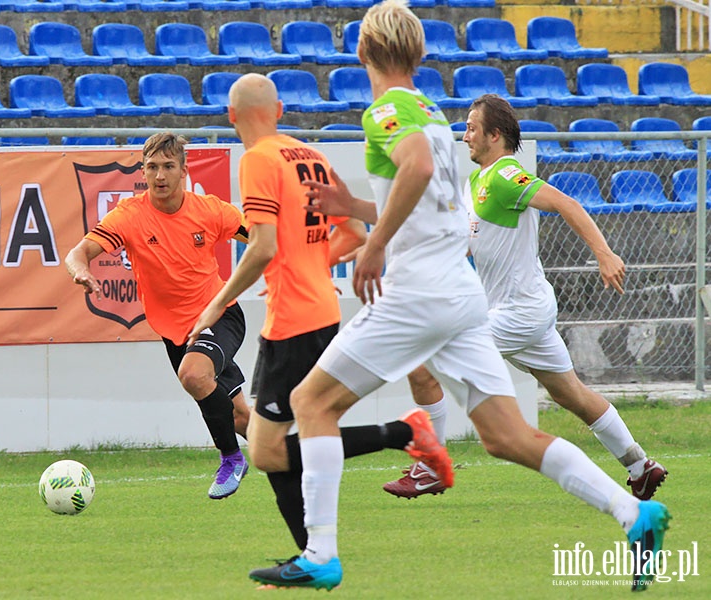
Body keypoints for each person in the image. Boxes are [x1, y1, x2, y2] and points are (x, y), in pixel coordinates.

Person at [247, 0, 670, 592]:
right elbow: (424, 192)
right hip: (462, 294)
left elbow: (414, 168)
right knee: (507, 437)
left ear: (364, 53)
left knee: (311, 405)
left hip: (418, 292)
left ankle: (320, 554)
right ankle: (634, 513)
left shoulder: (387, 109)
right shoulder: (430, 111)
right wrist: (356, 210)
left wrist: (373, 246)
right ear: (418, 55)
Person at [188, 72, 441, 554]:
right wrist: (303, 263)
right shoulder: (311, 155)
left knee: (271, 448)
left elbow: (260, 248)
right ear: (280, 112)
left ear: (231, 117)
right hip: (319, 309)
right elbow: (355, 235)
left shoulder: (258, 159)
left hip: (294, 320)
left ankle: (406, 434)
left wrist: (218, 302)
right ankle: (312, 553)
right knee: (272, 445)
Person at [382, 94, 668, 502]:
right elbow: (468, 242)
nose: (464, 136)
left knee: (424, 365)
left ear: (494, 135)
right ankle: (640, 465)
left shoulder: (505, 175)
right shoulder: (476, 182)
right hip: (519, 308)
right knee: (570, 394)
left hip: (519, 311)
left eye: (471, 128)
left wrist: (604, 254)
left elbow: (565, 203)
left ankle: (431, 467)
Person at [65, 132, 251, 500]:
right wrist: (80, 270)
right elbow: (78, 252)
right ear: (143, 171)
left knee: (194, 375)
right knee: (241, 418)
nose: (160, 175)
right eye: (152, 167)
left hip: (219, 314)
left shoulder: (210, 210)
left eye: (168, 166)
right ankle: (299, 457)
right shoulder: (130, 216)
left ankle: (231, 458)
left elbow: (266, 239)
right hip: (176, 332)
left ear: (184, 170)